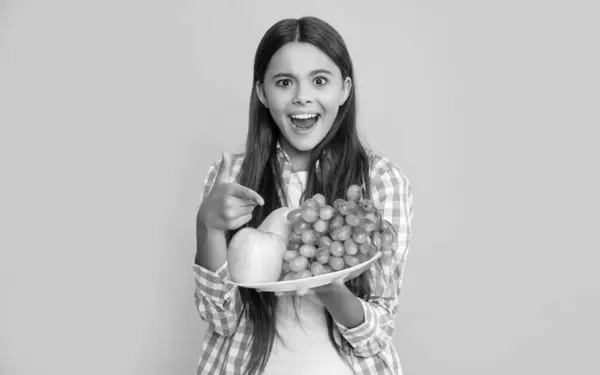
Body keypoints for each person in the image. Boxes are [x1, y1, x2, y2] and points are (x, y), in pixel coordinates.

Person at [193, 16, 413, 375]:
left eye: (320, 81)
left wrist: (330, 290)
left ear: (344, 89)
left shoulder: (381, 181)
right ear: (263, 92)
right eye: (284, 82)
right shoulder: (231, 179)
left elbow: (375, 336)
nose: (302, 97)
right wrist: (207, 226)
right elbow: (221, 320)